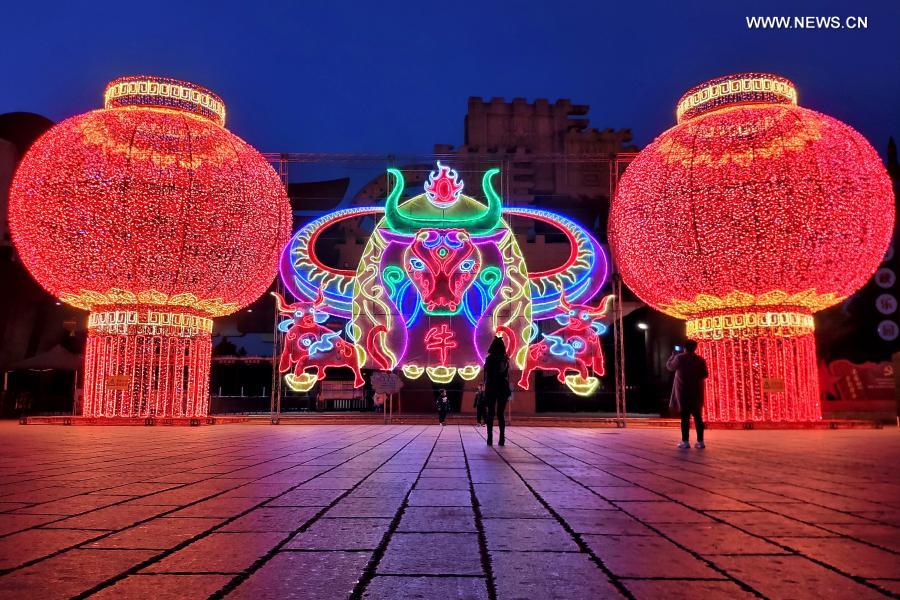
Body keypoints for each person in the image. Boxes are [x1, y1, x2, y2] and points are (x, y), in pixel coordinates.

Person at [666, 340, 709, 449]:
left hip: (683, 391)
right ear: (695, 348)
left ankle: (685, 441)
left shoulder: (680, 358)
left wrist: (672, 357)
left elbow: (670, 367)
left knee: (685, 417)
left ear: (685, 347)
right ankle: (700, 441)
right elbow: (705, 374)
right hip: (696, 391)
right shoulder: (700, 360)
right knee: (698, 417)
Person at [483, 336, 511, 446]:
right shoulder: (505, 359)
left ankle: (489, 438)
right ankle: (501, 439)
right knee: (500, 414)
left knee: (490, 413)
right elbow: (505, 375)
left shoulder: (489, 359)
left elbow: (486, 375)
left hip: (491, 387)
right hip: (502, 387)